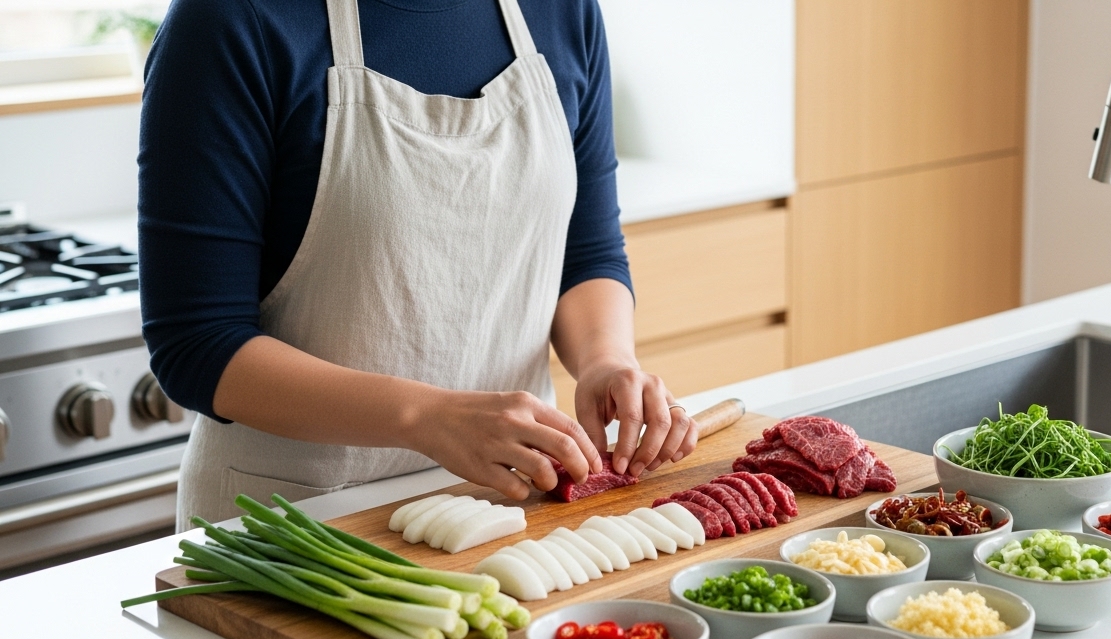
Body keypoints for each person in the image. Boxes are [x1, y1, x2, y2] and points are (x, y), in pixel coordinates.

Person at [137, 0, 696, 528]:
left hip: (513, 500)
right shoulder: (230, 20)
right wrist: (427, 417)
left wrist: (604, 359)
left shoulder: (561, 9)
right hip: (298, 521)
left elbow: (584, 252)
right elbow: (198, 344)